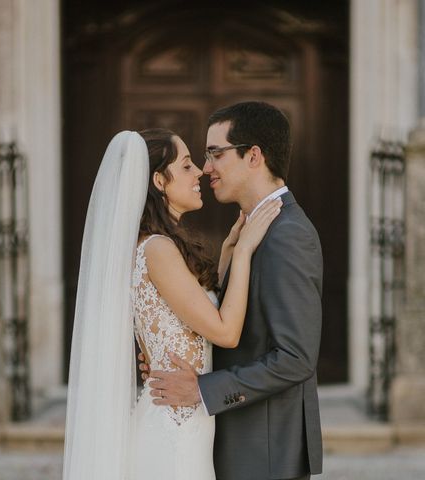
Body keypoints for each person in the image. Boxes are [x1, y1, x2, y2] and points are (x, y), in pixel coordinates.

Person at [62, 127, 281, 480]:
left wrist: (226, 251)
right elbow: (225, 332)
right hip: (174, 433)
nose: (201, 172)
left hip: (182, 423)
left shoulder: (155, 246)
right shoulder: (158, 249)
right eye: (187, 165)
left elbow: (197, 314)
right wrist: (243, 253)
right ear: (159, 181)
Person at [144, 102, 324, 480]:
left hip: (262, 453)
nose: (207, 167)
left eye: (215, 154)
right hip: (227, 445)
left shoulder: (287, 234)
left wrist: (203, 390)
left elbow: (296, 358)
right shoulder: (251, 232)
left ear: (253, 155)